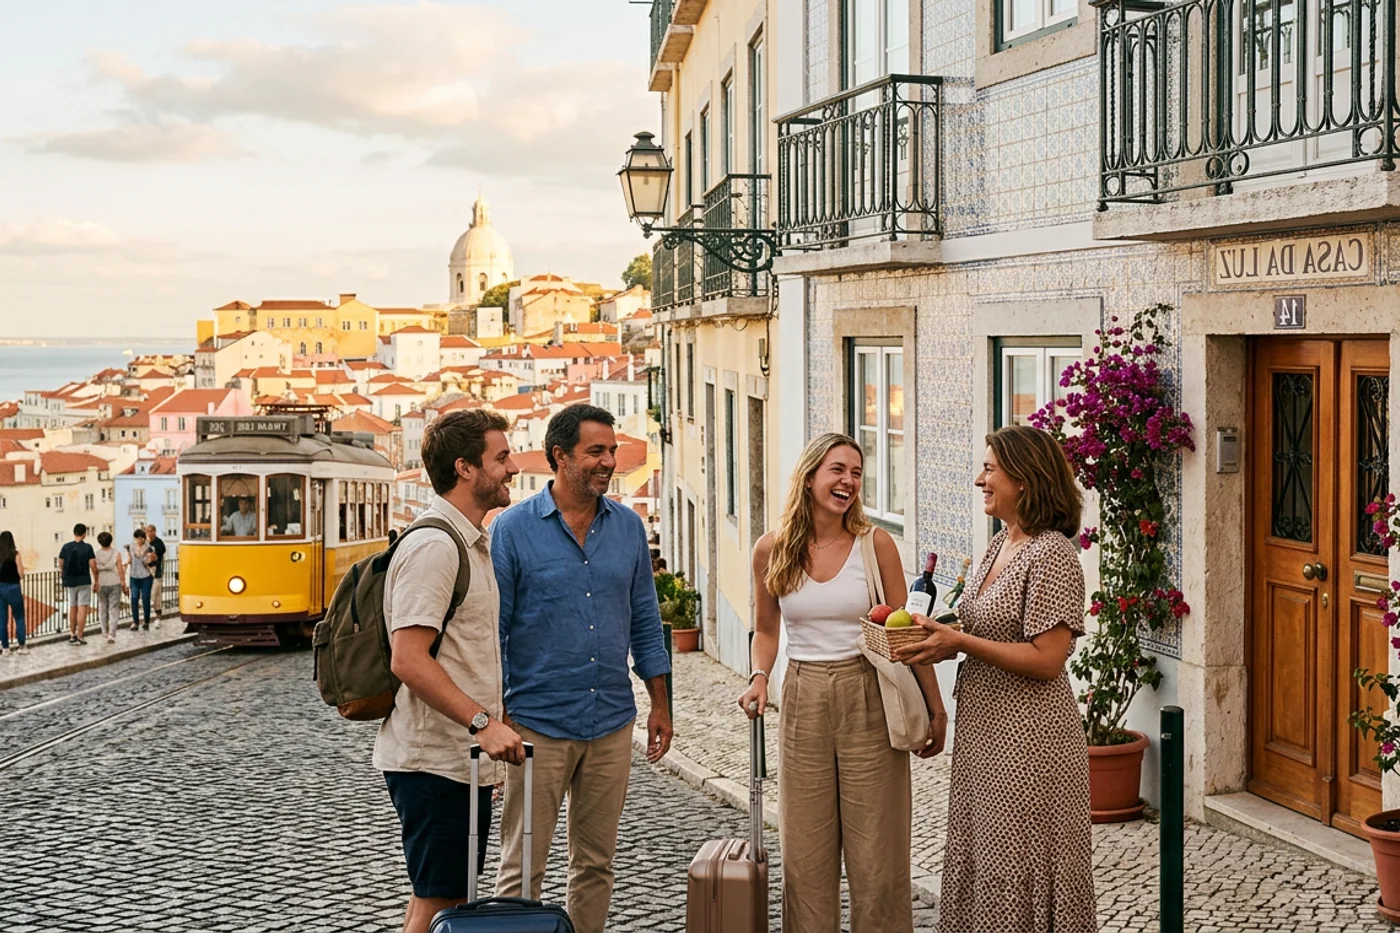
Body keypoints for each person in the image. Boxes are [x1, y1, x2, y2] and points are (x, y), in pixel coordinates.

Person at [736, 432, 946, 933]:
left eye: (856, 472)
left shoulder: (875, 546)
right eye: (837, 470)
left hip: (868, 691)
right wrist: (759, 677)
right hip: (803, 695)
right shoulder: (772, 549)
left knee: (878, 851)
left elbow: (907, 634)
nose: (848, 480)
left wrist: (936, 711)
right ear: (810, 477)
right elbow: (767, 630)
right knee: (804, 853)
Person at [894, 425, 1096, 933]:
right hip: (986, 735)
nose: (978, 479)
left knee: (1018, 862)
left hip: (1030, 741)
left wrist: (959, 643)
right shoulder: (1000, 543)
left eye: (990, 469)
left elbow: (1049, 659)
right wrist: (938, 634)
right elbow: (986, 627)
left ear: (1024, 480)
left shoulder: (1051, 554)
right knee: (987, 857)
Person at [492, 403, 673, 933]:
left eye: (612, 451)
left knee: (595, 865)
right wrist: (495, 719)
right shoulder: (512, 530)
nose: (608, 462)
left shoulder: (628, 528)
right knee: (522, 869)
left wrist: (659, 704)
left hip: (612, 721)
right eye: (596, 451)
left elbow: (645, 618)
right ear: (559, 456)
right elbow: (495, 633)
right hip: (535, 726)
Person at [375, 409, 527, 933]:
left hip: (456, 761)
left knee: (446, 900)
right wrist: (484, 726)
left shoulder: (469, 542)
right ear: (465, 468)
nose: (513, 467)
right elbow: (408, 659)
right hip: (433, 760)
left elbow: (468, 653)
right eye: (501, 457)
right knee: (438, 904)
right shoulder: (435, 547)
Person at [58, 523, 95, 646]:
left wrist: (64, 574)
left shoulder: (66, 547)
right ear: (84, 534)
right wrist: (97, 578)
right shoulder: (88, 548)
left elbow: (61, 563)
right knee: (82, 608)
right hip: (84, 580)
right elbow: (93, 565)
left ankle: (72, 634)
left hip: (70, 580)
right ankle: (80, 635)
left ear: (74, 533)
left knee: (72, 607)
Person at [93, 532, 128, 645]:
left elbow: (94, 570)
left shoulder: (96, 554)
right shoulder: (116, 553)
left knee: (102, 608)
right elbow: (120, 570)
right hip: (114, 581)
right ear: (110, 541)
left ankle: (104, 632)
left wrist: (95, 582)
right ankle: (111, 634)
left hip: (101, 582)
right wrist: (123, 583)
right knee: (113, 609)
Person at [0, 531, 27, 656]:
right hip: (13, 588)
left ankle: (5, 648)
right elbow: (21, 573)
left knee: (2, 619)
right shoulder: (15, 554)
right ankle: (21, 646)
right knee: (19, 617)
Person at [128, 529, 155, 631]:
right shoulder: (131, 547)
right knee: (134, 599)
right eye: (137, 538)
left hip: (146, 577)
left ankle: (146, 622)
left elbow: (151, 561)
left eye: (141, 538)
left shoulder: (149, 548)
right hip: (134, 576)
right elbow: (130, 559)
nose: (139, 540)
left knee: (145, 599)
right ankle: (135, 622)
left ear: (144, 538)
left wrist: (148, 556)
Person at [145, 524, 166, 628]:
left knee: (156, 595)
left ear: (155, 531)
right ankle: (152, 617)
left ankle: (158, 617)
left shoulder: (159, 543)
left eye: (151, 531)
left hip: (157, 571)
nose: (150, 533)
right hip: (147, 572)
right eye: (148, 531)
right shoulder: (146, 543)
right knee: (150, 595)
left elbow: (159, 553)